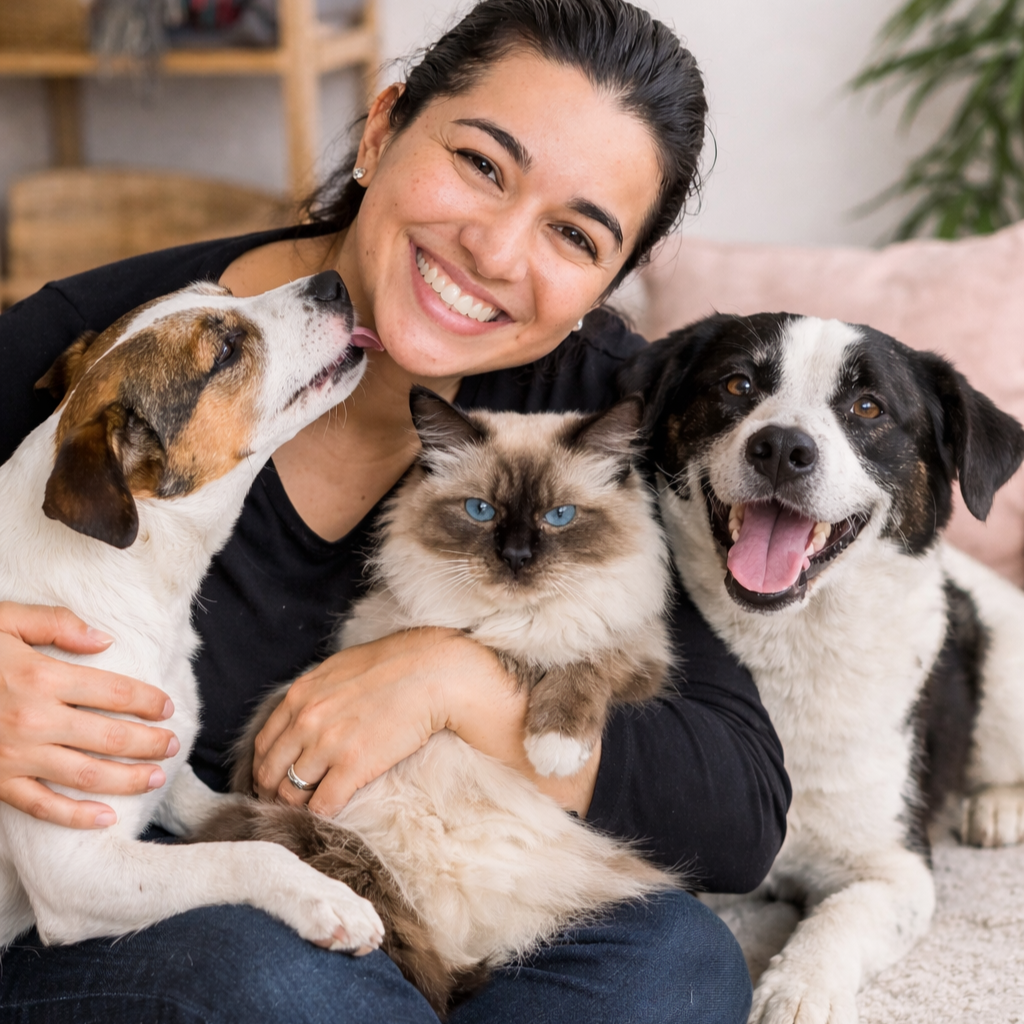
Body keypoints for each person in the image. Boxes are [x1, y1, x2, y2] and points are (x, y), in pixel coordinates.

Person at [0, 1, 789, 1021]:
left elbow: (739, 809)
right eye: (482, 165)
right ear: (381, 131)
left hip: (427, 885)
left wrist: (456, 682)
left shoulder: (600, 416)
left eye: (574, 234)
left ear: (610, 280)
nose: (495, 250)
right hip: (134, 899)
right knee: (276, 980)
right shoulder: (111, 354)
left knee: (675, 961)